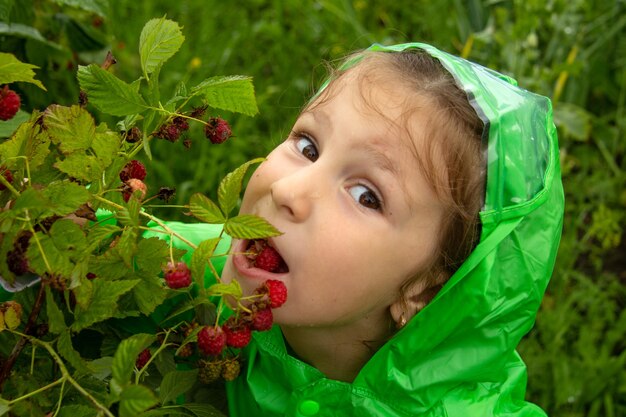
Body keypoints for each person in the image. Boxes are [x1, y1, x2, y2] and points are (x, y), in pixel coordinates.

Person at [211, 42, 563, 416]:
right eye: (308, 147)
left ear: (423, 291)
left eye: (366, 196)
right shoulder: (181, 287)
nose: (288, 190)